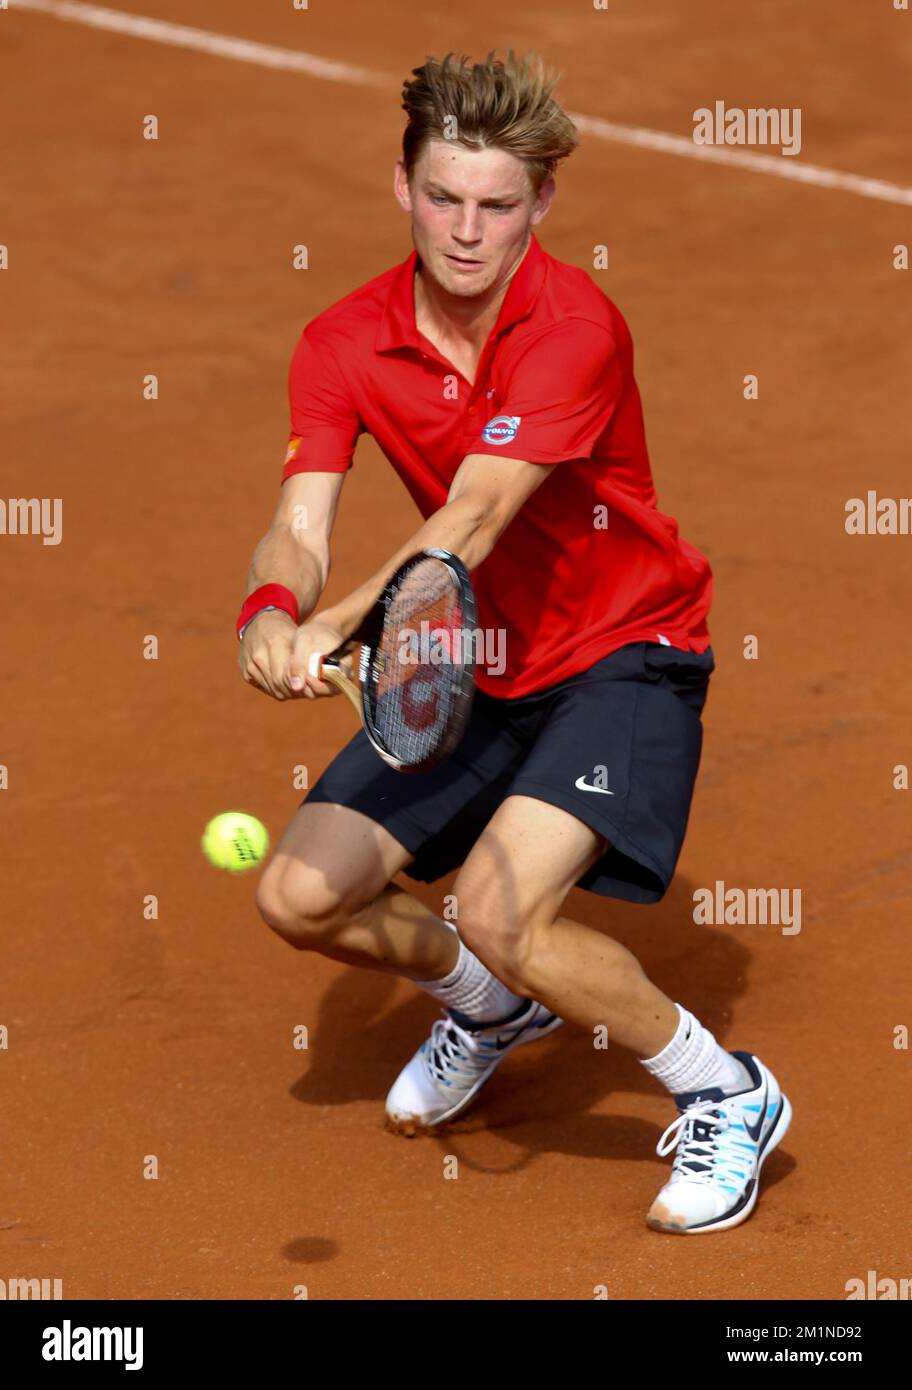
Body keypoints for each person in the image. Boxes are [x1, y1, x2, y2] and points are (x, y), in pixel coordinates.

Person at [237, 51, 791, 1234]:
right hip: (475, 663)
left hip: (622, 653)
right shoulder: (340, 341)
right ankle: (495, 1008)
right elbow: (295, 525)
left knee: (498, 907)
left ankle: (725, 1091)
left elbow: (473, 516)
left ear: (541, 204)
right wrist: (275, 609)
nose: (467, 231)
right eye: (443, 197)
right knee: (296, 894)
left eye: (497, 205)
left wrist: (346, 621)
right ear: (401, 184)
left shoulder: (573, 326)